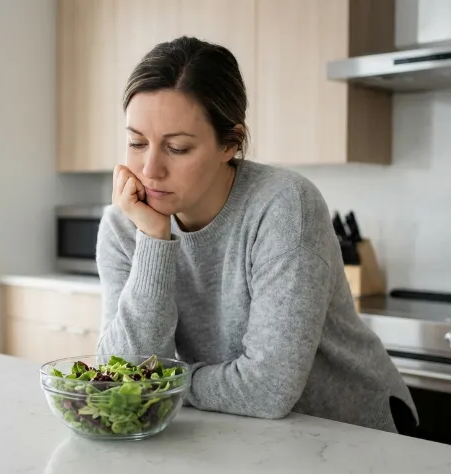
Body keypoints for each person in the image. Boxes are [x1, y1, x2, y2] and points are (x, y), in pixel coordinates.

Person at [95, 36, 418, 434]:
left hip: (353, 432)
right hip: (246, 435)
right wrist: (153, 241)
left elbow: (267, 390)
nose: (149, 169)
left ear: (229, 142)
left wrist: (165, 381)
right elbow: (123, 377)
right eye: (136, 142)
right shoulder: (126, 223)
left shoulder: (283, 206)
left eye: (177, 148)